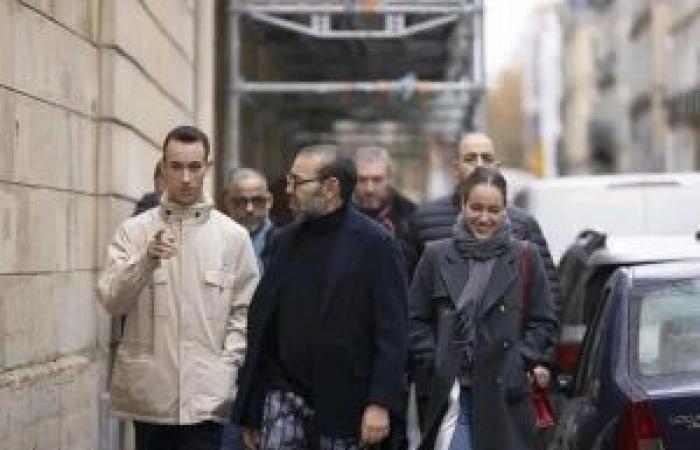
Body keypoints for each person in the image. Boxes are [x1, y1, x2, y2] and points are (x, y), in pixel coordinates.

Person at [232, 144, 409, 450]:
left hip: (347, 405)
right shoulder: (284, 242)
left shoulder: (376, 245)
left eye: (297, 182)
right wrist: (251, 411)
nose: (288, 190)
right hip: (283, 398)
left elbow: (392, 332)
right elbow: (264, 328)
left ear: (330, 188)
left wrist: (380, 402)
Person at [98, 125, 260, 450]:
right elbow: (111, 300)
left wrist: (226, 367)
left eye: (194, 167)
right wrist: (145, 261)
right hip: (151, 398)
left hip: (208, 398)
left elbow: (243, 312)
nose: (186, 178)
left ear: (207, 168)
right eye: (176, 167)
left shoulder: (233, 237)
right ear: (163, 168)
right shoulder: (133, 232)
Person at [409, 167, 558, 450]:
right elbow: (415, 319)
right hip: (452, 392)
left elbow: (543, 322)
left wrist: (520, 362)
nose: (484, 217)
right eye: (476, 208)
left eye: (493, 209)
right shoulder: (435, 255)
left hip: (505, 393)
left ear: (506, 210)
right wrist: (433, 361)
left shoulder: (525, 256)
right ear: (462, 205)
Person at [409, 132, 560, 314]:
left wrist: (530, 342)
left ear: (496, 167)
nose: (479, 165)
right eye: (470, 158)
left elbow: (549, 298)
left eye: (486, 158)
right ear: (456, 168)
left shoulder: (523, 224)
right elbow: (408, 292)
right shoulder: (424, 219)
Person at [354, 146, 417, 275]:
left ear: (390, 179)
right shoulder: (340, 217)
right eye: (362, 180)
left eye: (377, 180)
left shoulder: (412, 215)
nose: (369, 189)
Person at [223, 168, 276, 271]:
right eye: (241, 201)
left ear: (269, 201)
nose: (249, 209)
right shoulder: (216, 242)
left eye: (257, 201)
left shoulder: (287, 244)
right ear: (228, 203)